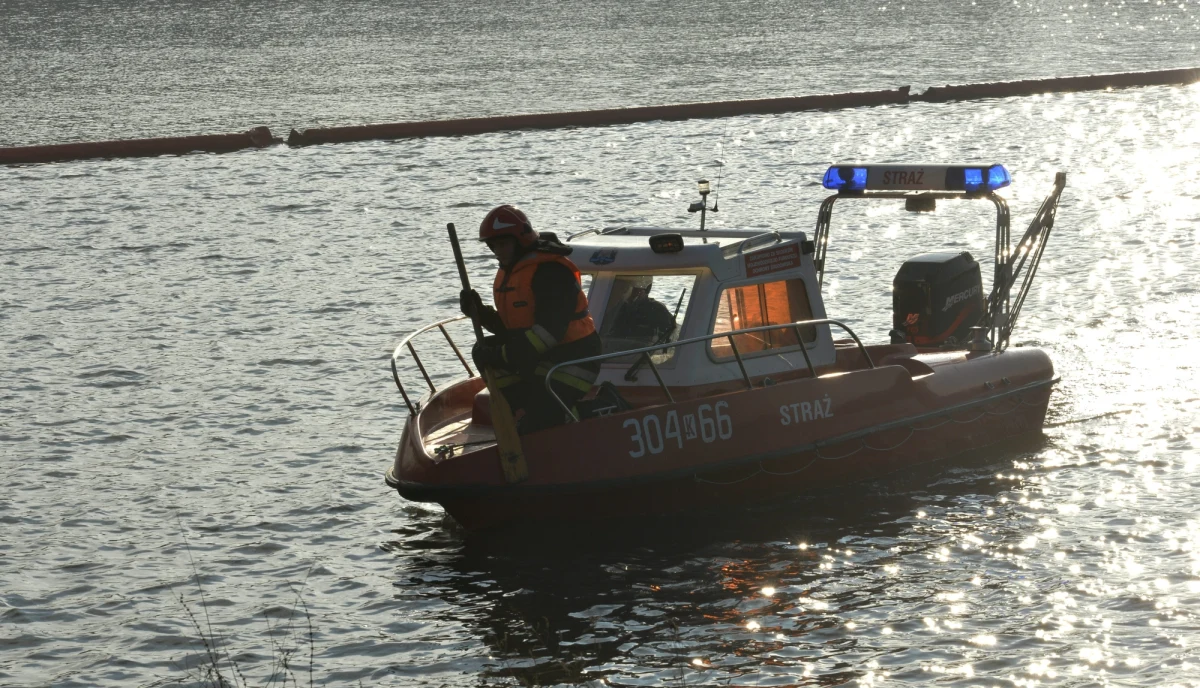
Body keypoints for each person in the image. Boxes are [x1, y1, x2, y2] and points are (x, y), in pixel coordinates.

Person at [459, 204, 602, 434]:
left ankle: (590, 411)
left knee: (540, 422)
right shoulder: (513, 270)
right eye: (493, 245)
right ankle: (526, 410)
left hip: (574, 358)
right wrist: (479, 312)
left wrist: (502, 355)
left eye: (503, 244)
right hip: (541, 356)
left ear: (521, 241)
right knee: (483, 349)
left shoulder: (550, 274)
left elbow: (547, 335)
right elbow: (512, 327)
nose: (497, 251)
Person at [607, 276, 677, 347]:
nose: (624, 291)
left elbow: (669, 333)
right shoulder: (618, 306)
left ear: (643, 290)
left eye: (627, 287)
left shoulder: (657, 310)